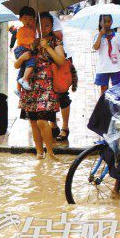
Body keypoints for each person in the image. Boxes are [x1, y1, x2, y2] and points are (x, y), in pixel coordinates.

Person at [16, 12, 66, 160]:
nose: (44, 28)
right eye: (41, 24)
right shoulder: (31, 41)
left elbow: (61, 61)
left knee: (42, 120)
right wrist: (22, 58)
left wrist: (48, 48)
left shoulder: (56, 41)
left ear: (51, 26)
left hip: (46, 84)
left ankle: (50, 152)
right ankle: (39, 154)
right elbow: (16, 64)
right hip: (30, 84)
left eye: (47, 25)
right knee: (33, 121)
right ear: (36, 25)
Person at [48, 13, 75, 142]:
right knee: (49, 96)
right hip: (46, 67)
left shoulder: (54, 20)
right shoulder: (34, 20)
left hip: (61, 62)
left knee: (62, 94)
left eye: (47, 25)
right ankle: (53, 125)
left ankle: (65, 127)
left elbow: (59, 36)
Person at [93, 15, 120, 95]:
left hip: (115, 67)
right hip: (103, 67)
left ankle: (115, 105)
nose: (107, 24)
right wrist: (100, 35)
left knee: (117, 88)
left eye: (109, 21)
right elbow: (96, 47)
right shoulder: (98, 36)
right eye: (104, 21)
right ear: (100, 23)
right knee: (104, 89)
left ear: (112, 22)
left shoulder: (118, 36)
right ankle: (104, 105)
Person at [13, 6, 36, 96]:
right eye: (25, 19)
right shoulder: (22, 30)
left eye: (30, 19)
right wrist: (32, 42)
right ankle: (24, 79)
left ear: (34, 19)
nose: (28, 21)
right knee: (31, 62)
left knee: (23, 69)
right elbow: (23, 40)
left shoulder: (34, 29)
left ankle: (18, 88)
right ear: (20, 19)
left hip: (25, 49)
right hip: (22, 50)